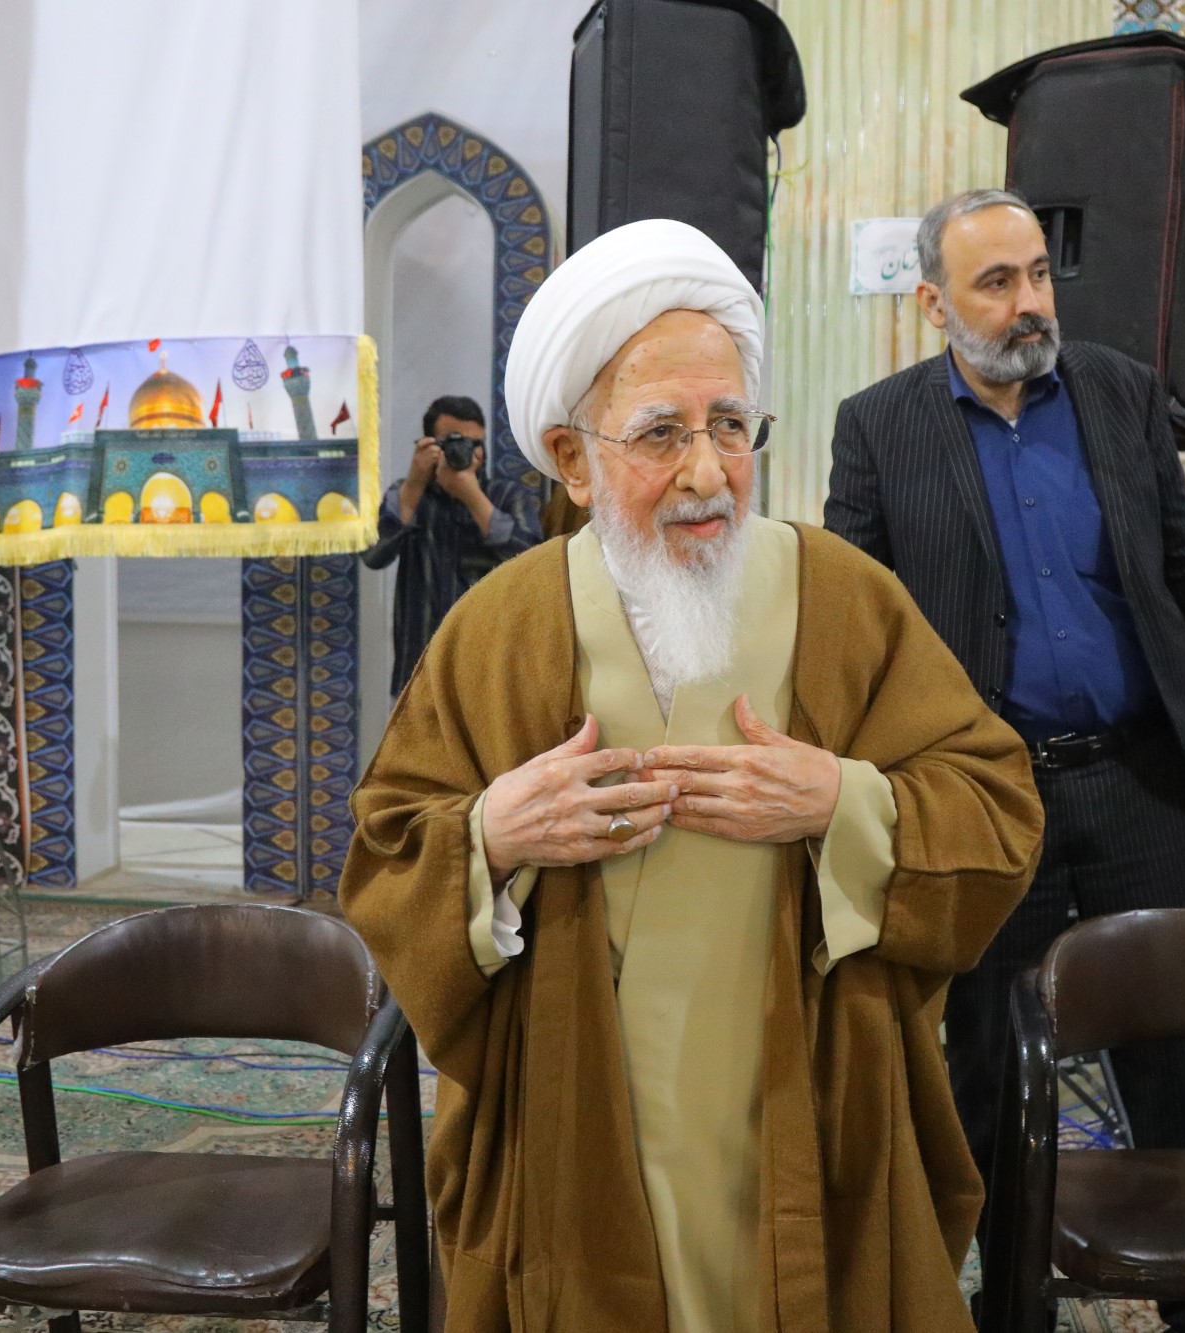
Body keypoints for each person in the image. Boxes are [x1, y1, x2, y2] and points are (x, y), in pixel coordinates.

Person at [341, 219, 1044, 1333]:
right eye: (660, 434)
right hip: (580, 1117)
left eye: (728, 424)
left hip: (805, 1102)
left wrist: (842, 801)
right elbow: (388, 852)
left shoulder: (845, 596)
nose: (707, 472)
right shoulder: (499, 625)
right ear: (573, 459)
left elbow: (996, 806)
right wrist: (492, 836)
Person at [825, 186, 1185, 1333]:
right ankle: (1014, 1303)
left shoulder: (1119, 392)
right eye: (997, 282)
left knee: (1170, 1057)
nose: (1029, 302)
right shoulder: (880, 426)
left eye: (1037, 274)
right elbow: (852, 620)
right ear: (933, 303)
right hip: (986, 797)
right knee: (989, 1065)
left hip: (1136, 782)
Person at [359, 395, 542, 694]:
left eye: (475, 443)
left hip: (491, 671)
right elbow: (373, 555)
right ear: (428, 446)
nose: (465, 451)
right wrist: (414, 486)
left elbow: (532, 563)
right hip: (419, 670)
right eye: (454, 442)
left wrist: (472, 496)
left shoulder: (506, 496)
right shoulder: (409, 493)